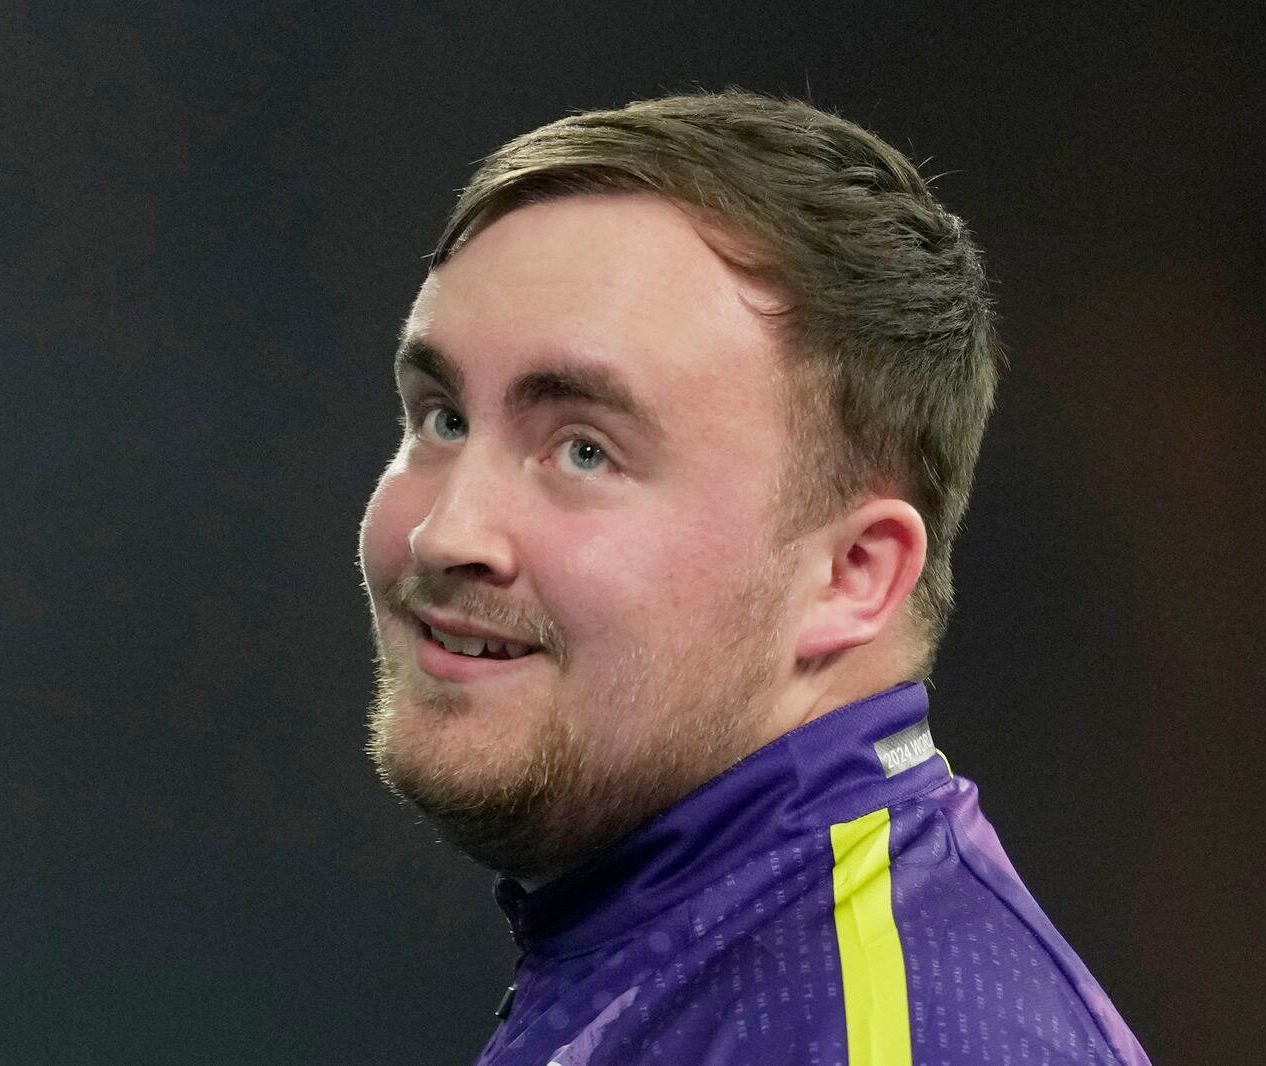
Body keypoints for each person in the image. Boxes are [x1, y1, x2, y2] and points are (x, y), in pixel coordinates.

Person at [357, 90, 1150, 1066]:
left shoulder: (900, 1041)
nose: (445, 532)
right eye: (441, 417)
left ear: (850, 573)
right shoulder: (688, 958)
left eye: (584, 450)